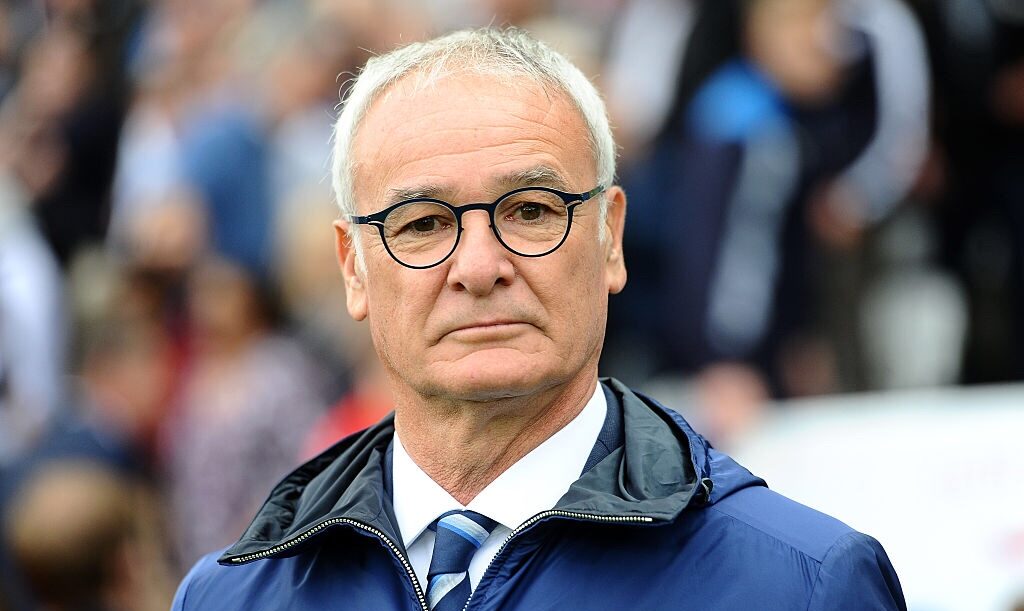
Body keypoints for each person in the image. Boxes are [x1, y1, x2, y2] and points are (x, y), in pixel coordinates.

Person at [172, 27, 905, 610]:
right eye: (423, 223)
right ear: (352, 267)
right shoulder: (229, 596)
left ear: (610, 238)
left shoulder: (804, 587)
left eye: (530, 211)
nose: (479, 265)